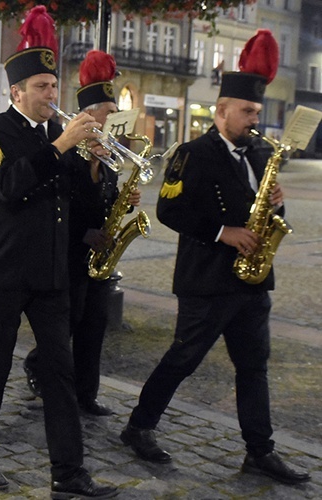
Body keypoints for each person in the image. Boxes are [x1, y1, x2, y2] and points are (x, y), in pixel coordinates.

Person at [120, 29, 310, 485]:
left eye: (257, 113)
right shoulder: (192, 153)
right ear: (222, 110)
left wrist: (278, 202)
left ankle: (259, 452)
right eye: (247, 112)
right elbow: (169, 209)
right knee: (183, 360)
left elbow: (265, 208)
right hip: (206, 279)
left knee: (254, 368)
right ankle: (138, 427)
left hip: (251, 281)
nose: (254, 121)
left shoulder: (263, 153)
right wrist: (224, 232)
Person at [0, 7, 117, 498]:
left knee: (60, 372)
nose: (52, 95)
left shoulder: (60, 136)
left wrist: (94, 168)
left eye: (54, 86)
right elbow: (8, 185)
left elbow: (80, 202)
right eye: (43, 87)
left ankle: (68, 471)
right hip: (7, 269)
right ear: (17, 92)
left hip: (52, 272)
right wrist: (63, 146)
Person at [24, 50, 141, 416]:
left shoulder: (107, 161)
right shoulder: (68, 154)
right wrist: (85, 234)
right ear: (89, 116)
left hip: (98, 259)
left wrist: (124, 199)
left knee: (95, 326)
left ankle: (86, 395)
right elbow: (57, 207)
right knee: (68, 325)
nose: (114, 120)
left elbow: (102, 204)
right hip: (71, 253)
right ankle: (38, 366)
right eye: (108, 113)